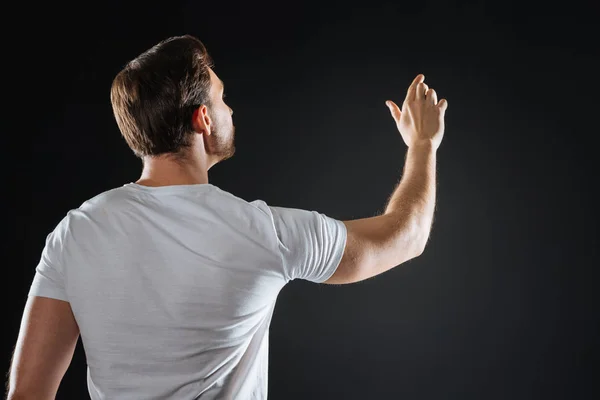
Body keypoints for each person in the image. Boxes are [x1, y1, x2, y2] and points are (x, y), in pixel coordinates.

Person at [7, 34, 447, 399]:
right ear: (202, 119)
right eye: (222, 98)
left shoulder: (76, 232)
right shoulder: (262, 232)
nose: (230, 109)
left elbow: (28, 392)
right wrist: (422, 145)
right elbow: (407, 237)